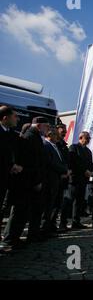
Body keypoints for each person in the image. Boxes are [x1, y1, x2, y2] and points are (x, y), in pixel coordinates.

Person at [3, 116, 49, 245]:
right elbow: (30, 162)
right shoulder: (30, 138)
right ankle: (10, 239)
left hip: (30, 181)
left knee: (25, 212)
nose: (48, 129)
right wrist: (36, 181)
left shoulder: (35, 137)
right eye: (47, 126)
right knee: (19, 212)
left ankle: (18, 238)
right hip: (26, 182)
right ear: (39, 126)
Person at [0, 106, 23, 249]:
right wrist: (11, 166)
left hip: (6, 179)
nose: (18, 119)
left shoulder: (10, 134)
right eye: (15, 116)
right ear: (5, 118)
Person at [41, 127, 69, 236]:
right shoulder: (46, 145)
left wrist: (65, 170)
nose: (58, 137)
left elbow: (62, 161)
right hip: (50, 180)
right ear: (50, 135)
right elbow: (51, 162)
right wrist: (63, 170)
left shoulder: (55, 146)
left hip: (58, 180)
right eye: (56, 134)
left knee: (55, 205)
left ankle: (50, 227)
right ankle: (44, 229)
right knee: (48, 206)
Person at [68, 131, 93, 229]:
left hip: (84, 180)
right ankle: (64, 222)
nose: (88, 140)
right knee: (71, 201)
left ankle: (76, 221)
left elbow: (91, 164)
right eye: (86, 138)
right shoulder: (74, 147)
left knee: (80, 201)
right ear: (81, 138)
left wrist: (91, 172)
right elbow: (73, 162)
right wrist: (84, 171)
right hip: (75, 179)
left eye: (89, 138)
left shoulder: (88, 151)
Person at [55, 124, 72, 232]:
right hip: (56, 178)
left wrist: (68, 171)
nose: (65, 132)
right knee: (53, 205)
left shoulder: (64, 146)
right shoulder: (54, 145)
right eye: (63, 130)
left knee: (61, 204)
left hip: (65, 179)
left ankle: (61, 224)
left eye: (66, 130)